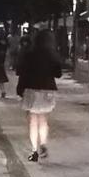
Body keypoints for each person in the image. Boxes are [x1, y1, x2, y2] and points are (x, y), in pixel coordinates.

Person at [16, 29, 62, 162]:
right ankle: (43, 143)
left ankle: (34, 150)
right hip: (48, 89)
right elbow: (58, 73)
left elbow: (22, 72)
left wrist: (20, 88)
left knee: (32, 121)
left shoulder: (29, 54)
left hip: (31, 89)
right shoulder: (52, 54)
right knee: (43, 119)